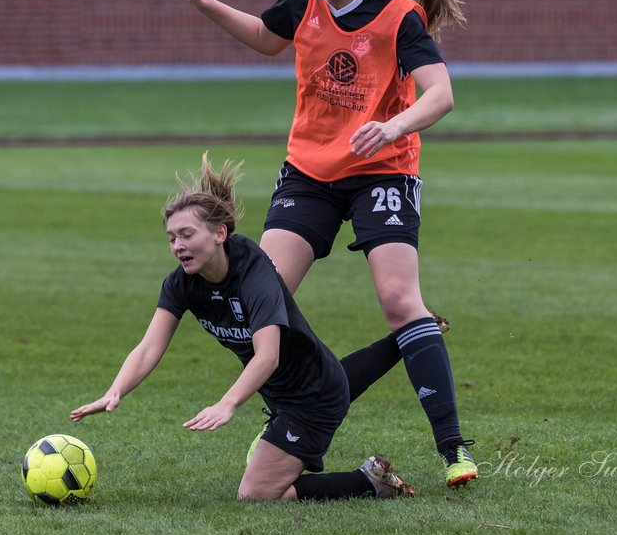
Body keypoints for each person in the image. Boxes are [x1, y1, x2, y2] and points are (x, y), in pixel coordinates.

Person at [163, 0, 477, 487]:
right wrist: (201, 1)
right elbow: (264, 38)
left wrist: (394, 126)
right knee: (265, 297)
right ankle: (301, 411)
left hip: (382, 168)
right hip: (309, 170)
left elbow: (441, 95)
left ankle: (455, 449)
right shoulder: (304, 0)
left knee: (398, 300)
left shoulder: (396, 15)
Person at [71, 155, 416, 502]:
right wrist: (115, 391)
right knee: (263, 478)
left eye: (186, 234)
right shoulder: (182, 283)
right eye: (171, 238)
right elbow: (149, 346)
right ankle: (402, 342)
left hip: (315, 399)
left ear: (220, 233)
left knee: (256, 493)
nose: (177, 246)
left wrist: (228, 403)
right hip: (283, 395)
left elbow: (268, 356)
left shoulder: (255, 274)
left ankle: (370, 480)